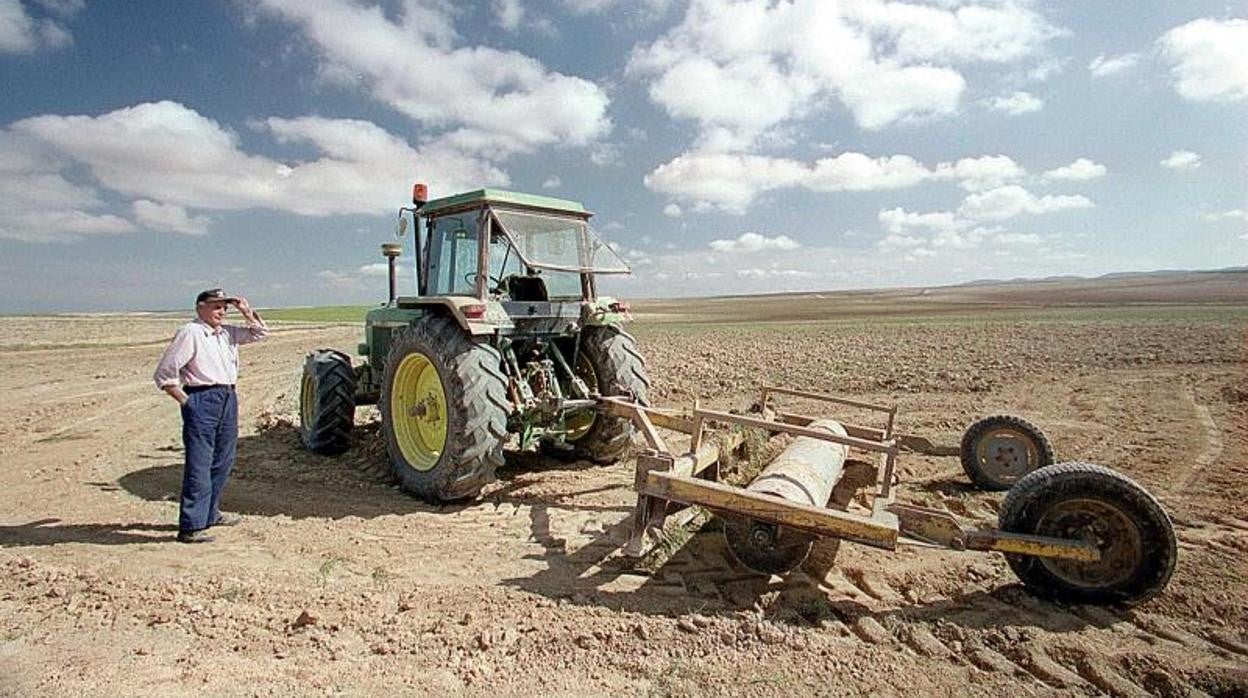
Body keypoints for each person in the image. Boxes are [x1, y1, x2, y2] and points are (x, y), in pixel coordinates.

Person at [153, 288, 269, 543]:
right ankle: (191, 527)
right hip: (202, 397)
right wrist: (188, 402)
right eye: (216, 306)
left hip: (227, 397)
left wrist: (246, 311)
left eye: (225, 307)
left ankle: (210, 513)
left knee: (223, 460)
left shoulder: (226, 333)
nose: (221, 312)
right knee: (200, 463)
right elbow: (164, 374)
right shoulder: (191, 333)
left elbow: (260, 332)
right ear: (200, 308)